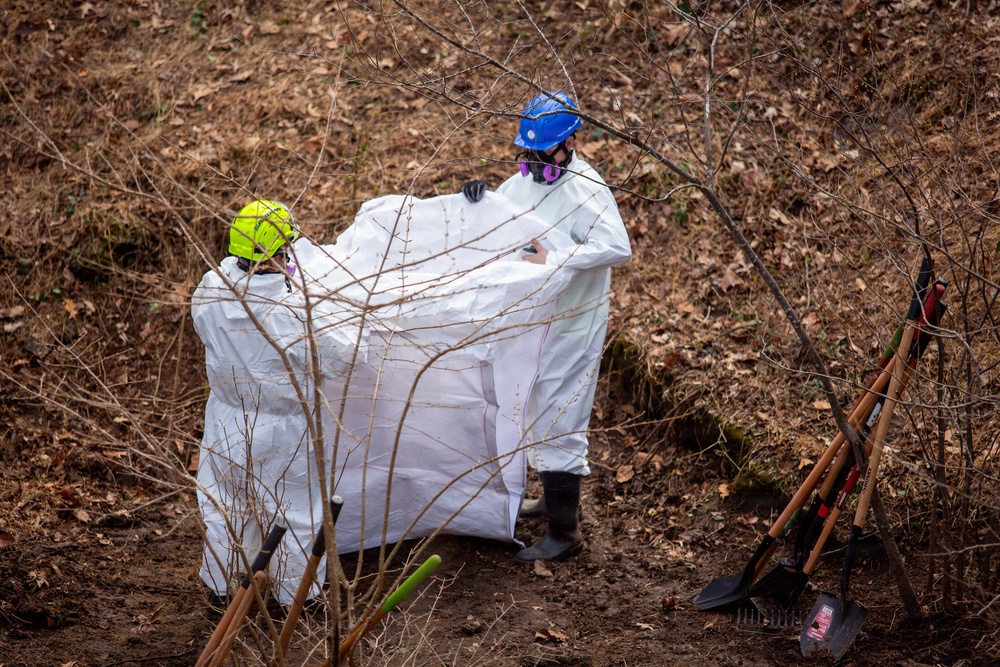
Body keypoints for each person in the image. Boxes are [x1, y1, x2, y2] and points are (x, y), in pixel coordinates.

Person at [462, 91, 632, 562]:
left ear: (571, 143)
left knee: (561, 415)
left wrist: (558, 257)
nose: (535, 164)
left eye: (544, 154)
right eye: (528, 154)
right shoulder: (525, 181)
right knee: (534, 405)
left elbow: (618, 247)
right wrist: (477, 201)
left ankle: (565, 532)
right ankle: (549, 497)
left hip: (573, 323)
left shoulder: (587, 189)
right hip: (533, 318)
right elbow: (505, 217)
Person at [191, 199, 361, 606]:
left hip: (227, 421)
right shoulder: (290, 311)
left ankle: (222, 588)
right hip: (285, 426)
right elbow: (344, 356)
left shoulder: (210, 288)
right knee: (297, 511)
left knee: (227, 507)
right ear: (278, 252)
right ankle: (293, 596)